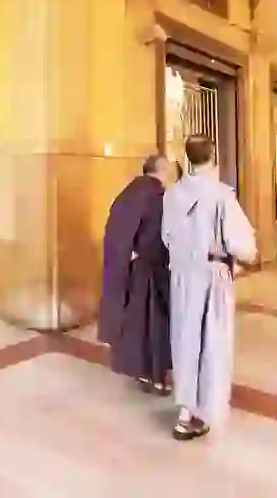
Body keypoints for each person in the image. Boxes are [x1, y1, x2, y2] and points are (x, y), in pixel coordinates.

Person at [162, 136, 257, 441]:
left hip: (182, 275)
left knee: (185, 339)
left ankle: (184, 411)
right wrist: (246, 255)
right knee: (212, 343)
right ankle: (200, 412)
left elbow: (166, 237)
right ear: (213, 155)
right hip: (212, 276)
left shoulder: (172, 195)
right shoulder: (221, 195)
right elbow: (242, 245)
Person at [98, 155, 177, 395]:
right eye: (169, 169)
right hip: (153, 270)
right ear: (160, 170)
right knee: (158, 326)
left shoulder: (126, 194)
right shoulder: (158, 196)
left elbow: (115, 232)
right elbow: (160, 235)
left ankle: (142, 373)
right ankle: (158, 378)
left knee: (136, 325)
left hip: (128, 271)